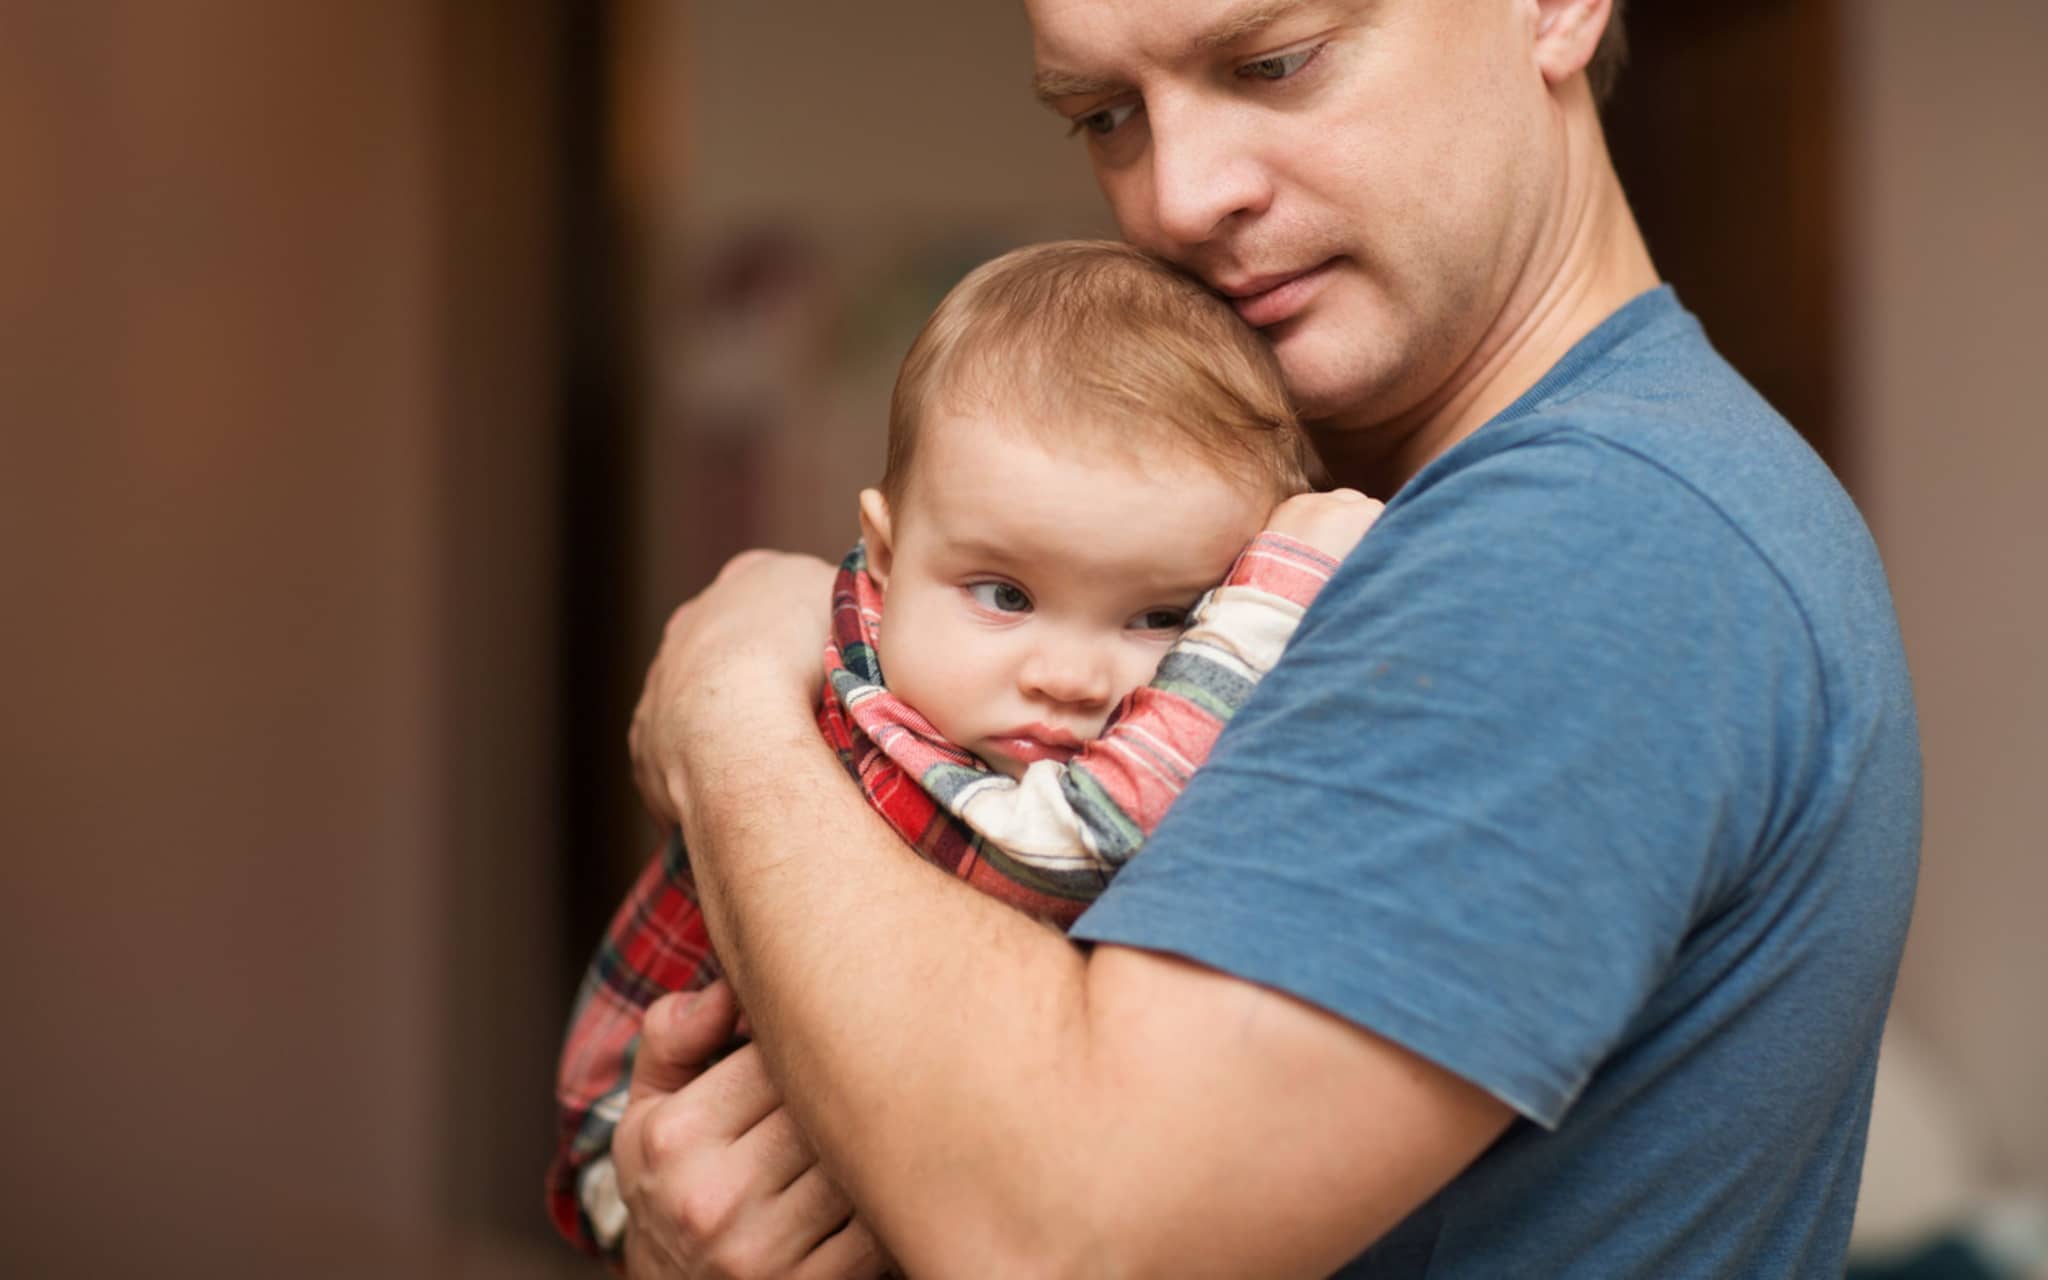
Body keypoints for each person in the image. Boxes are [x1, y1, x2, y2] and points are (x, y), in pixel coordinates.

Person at [601, 0, 1922, 1275]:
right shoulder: (1347, 535)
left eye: (1275, 61)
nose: (1177, 196)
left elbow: (1071, 1237)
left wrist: (732, 715)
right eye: (1107, 112)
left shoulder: (1595, 536)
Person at [548, 240, 1381, 1263]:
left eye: (1164, 613)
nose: (1069, 675)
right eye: (1005, 595)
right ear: (887, 557)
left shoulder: (909, 680)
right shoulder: (868, 719)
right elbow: (1055, 851)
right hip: (652, 1152)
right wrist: (1277, 592)